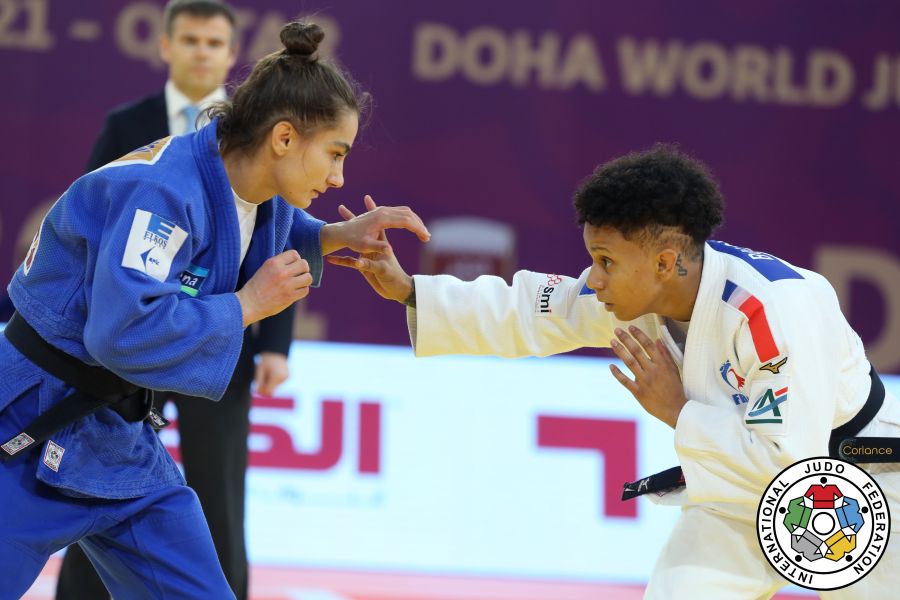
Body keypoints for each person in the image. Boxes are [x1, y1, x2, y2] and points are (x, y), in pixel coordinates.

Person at [328, 146, 899, 599]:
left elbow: (789, 468)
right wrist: (408, 290)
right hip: (738, 490)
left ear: (665, 261)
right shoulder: (637, 294)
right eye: (593, 259)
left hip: (862, 482)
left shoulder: (774, 309)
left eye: (606, 262)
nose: (594, 279)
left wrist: (678, 411)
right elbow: (532, 309)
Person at [0, 19, 429, 599]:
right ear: (283, 138)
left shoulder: (240, 180)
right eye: (335, 154)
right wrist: (246, 306)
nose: (338, 177)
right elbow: (119, 332)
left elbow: (249, 228)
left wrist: (334, 235)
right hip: (31, 421)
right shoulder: (166, 192)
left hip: (116, 437)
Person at [57, 2, 277, 598]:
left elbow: (278, 236)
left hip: (221, 338)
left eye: (214, 42)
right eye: (190, 40)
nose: (202, 52)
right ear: (166, 46)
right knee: (100, 485)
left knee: (219, 494)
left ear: (232, 54)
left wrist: (276, 345)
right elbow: (91, 221)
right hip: (130, 340)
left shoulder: (257, 136)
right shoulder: (127, 125)